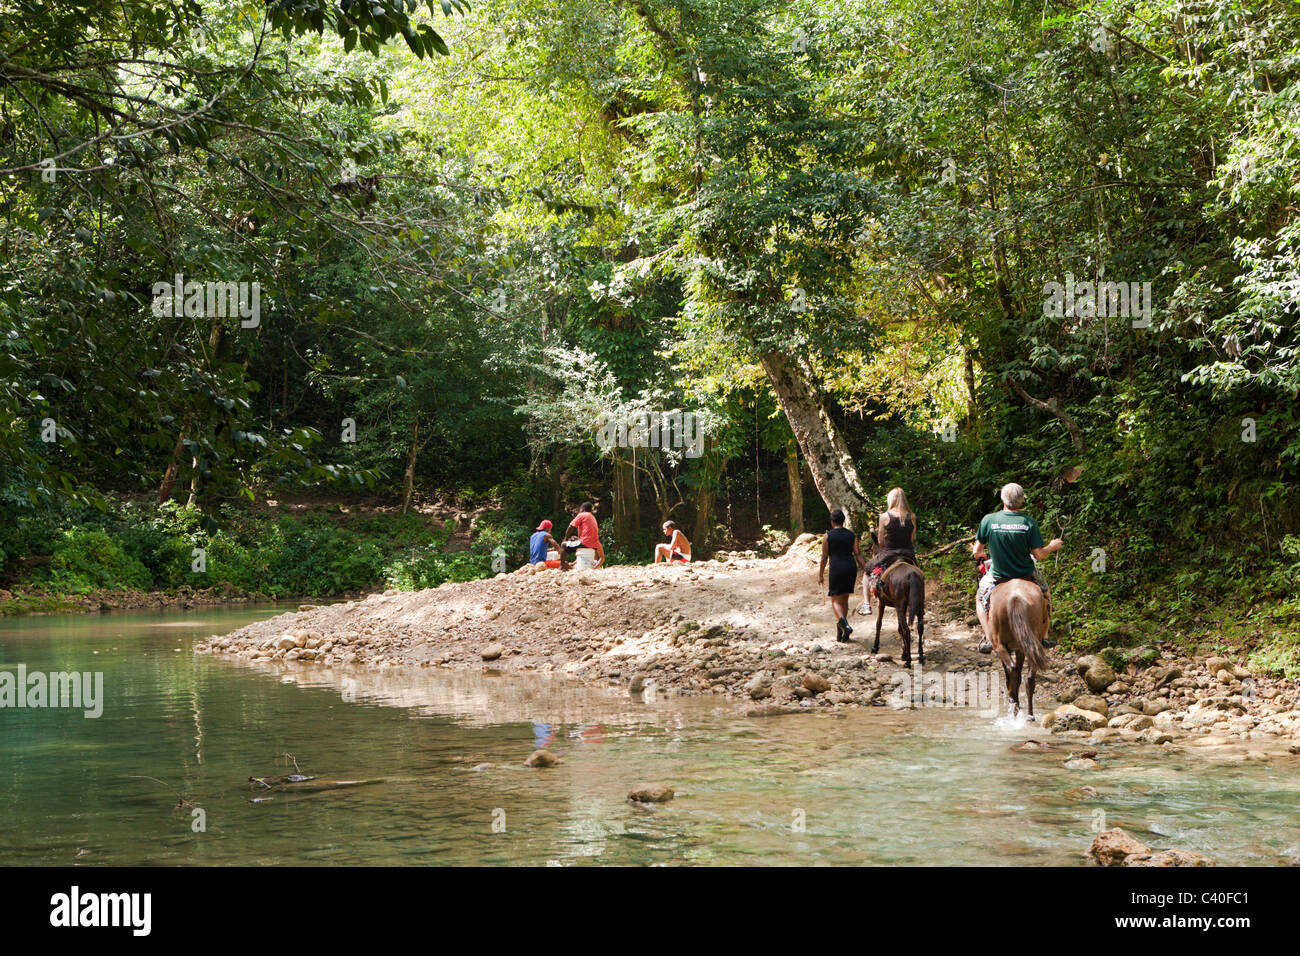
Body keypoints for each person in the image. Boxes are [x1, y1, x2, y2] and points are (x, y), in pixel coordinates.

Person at [972, 482, 1063, 653]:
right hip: (1026, 574)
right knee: (1046, 594)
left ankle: (990, 637)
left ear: (1002, 499)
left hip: (998, 575)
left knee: (979, 598)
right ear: (1021, 501)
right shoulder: (1028, 522)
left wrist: (982, 555)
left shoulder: (988, 520)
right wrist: (1052, 546)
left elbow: (977, 551)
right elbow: (1038, 555)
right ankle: (1043, 637)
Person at [863, 487, 917, 614]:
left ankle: (866, 604)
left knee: (866, 571)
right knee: (918, 574)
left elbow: (880, 541)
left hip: (889, 553)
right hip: (908, 553)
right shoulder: (912, 516)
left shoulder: (884, 516)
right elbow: (912, 539)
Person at [818, 508, 866, 642]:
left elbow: (824, 557)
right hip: (850, 568)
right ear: (844, 521)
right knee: (844, 599)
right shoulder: (852, 535)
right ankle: (842, 632)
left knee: (834, 599)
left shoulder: (828, 536)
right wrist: (867, 568)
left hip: (837, 568)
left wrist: (820, 575)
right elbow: (857, 554)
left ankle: (845, 625)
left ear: (832, 521)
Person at [562, 501, 605, 569]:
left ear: (582, 509)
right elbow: (602, 558)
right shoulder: (592, 517)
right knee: (587, 553)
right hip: (594, 543)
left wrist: (565, 538)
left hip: (585, 542)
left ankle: (562, 565)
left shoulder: (582, 514)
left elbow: (571, 527)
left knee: (563, 545)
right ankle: (593, 566)